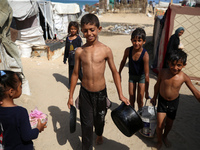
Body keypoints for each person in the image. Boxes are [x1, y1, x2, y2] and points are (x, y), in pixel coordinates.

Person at [67, 14, 130, 150]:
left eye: (92, 29)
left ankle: (100, 134)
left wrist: (121, 94)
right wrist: (71, 96)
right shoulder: (79, 51)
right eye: (85, 30)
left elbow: (114, 72)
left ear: (99, 29)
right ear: (81, 31)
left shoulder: (106, 50)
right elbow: (75, 74)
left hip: (101, 93)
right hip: (85, 93)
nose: (89, 33)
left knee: (99, 121)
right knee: (86, 125)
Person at [151, 49, 200, 150]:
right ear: (168, 62)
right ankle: (159, 141)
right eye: (172, 64)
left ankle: (165, 137)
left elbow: (195, 91)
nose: (175, 68)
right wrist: (155, 97)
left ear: (184, 65)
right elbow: (157, 85)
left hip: (174, 103)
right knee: (160, 124)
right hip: (162, 101)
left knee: (169, 124)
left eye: (179, 65)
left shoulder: (184, 77)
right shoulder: (163, 72)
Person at [0, 70, 47, 150]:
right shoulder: (20, 112)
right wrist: (38, 128)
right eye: (20, 86)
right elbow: (27, 136)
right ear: (11, 92)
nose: (21, 88)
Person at [119, 28, 149, 110]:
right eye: (134, 40)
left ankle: (140, 114)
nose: (136, 43)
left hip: (141, 77)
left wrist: (147, 91)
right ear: (131, 40)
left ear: (144, 42)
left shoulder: (145, 55)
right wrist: (119, 73)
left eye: (139, 41)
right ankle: (132, 115)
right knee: (131, 98)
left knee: (140, 99)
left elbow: (146, 75)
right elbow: (123, 61)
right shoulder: (128, 50)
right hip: (132, 76)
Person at [63, 21, 83, 89]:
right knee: (70, 71)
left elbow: (81, 49)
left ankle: (84, 82)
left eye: (74, 29)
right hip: (70, 58)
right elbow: (66, 49)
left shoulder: (78, 38)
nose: (73, 30)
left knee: (79, 71)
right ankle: (70, 85)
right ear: (69, 29)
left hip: (77, 58)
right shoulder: (68, 39)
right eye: (71, 29)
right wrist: (65, 58)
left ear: (77, 29)